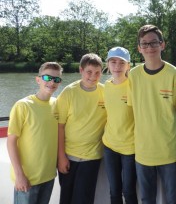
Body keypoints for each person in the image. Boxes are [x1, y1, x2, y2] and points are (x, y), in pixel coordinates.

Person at [127, 24, 176, 204]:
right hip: (143, 150)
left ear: (162, 45)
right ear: (139, 48)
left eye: (153, 43)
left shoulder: (174, 73)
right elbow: (132, 109)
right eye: (144, 44)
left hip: (170, 150)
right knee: (146, 199)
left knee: (173, 198)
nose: (149, 47)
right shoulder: (133, 75)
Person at [7, 62, 63, 204]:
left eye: (56, 79)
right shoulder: (23, 105)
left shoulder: (57, 105)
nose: (51, 82)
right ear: (38, 79)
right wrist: (20, 175)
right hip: (27, 178)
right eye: (47, 78)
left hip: (48, 176)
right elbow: (11, 141)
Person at [57, 53, 107, 204]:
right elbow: (60, 126)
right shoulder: (68, 92)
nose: (93, 76)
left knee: (84, 199)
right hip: (68, 156)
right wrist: (61, 157)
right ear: (81, 70)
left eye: (98, 72)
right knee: (66, 197)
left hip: (92, 157)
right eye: (89, 72)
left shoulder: (106, 91)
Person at [102, 46, 138, 203]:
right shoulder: (106, 86)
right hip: (109, 146)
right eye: (113, 62)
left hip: (131, 148)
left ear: (128, 66)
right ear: (108, 64)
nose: (117, 66)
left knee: (129, 191)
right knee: (114, 191)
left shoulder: (134, 86)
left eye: (121, 63)